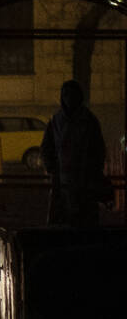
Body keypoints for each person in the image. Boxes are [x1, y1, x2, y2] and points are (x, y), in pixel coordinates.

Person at [41, 80, 107, 227]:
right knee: (64, 221)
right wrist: (52, 167)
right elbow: (47, 147)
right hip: (63, 180)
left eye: (72, 95)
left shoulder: (88, 120)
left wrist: (94, 171)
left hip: (84, 180)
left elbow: (98, 149)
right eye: (66, 95)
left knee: (83, 221)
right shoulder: (57, 121)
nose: (69, 98)